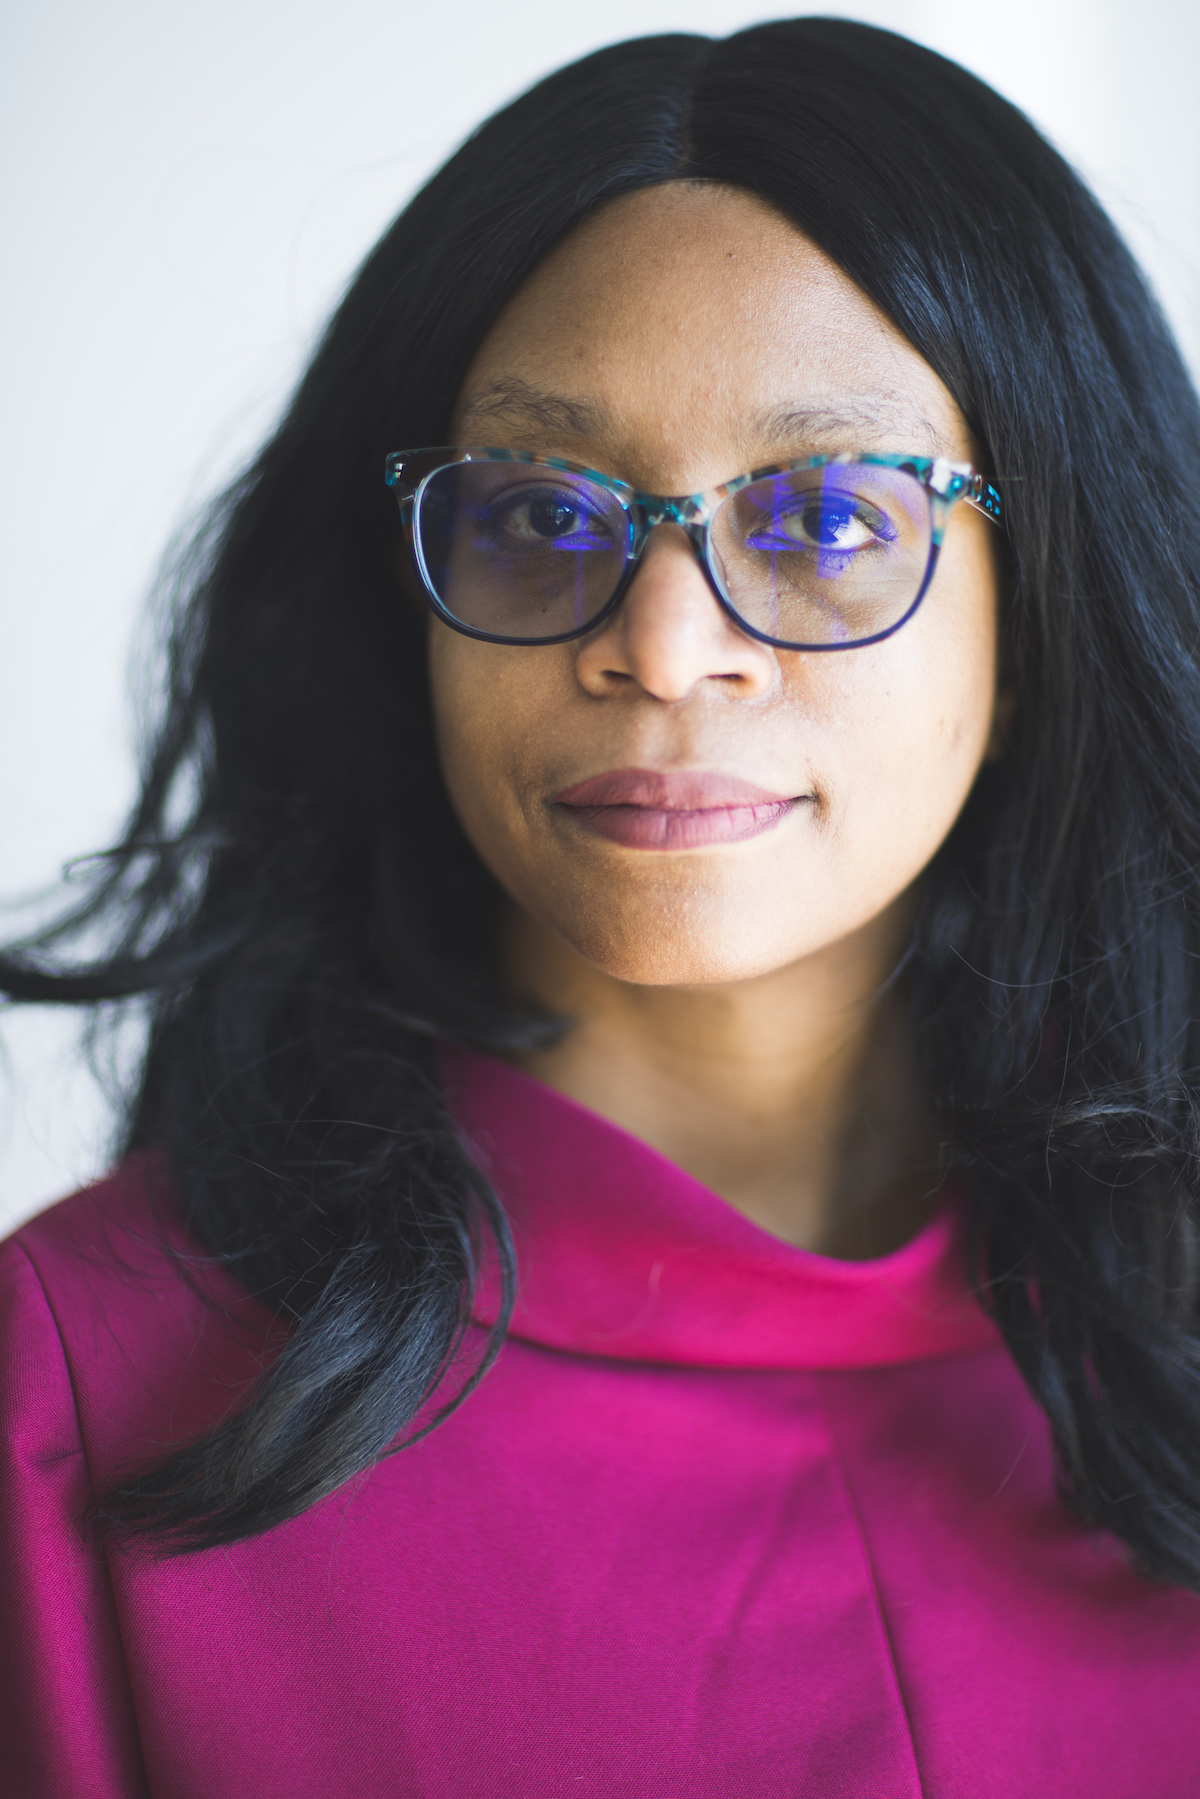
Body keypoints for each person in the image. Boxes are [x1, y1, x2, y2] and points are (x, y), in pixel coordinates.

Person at [4, 17, 1200, 1796]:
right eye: (541, 517)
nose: (659, 643)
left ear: (1038, 622)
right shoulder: (74, 1395)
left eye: (825, 517)